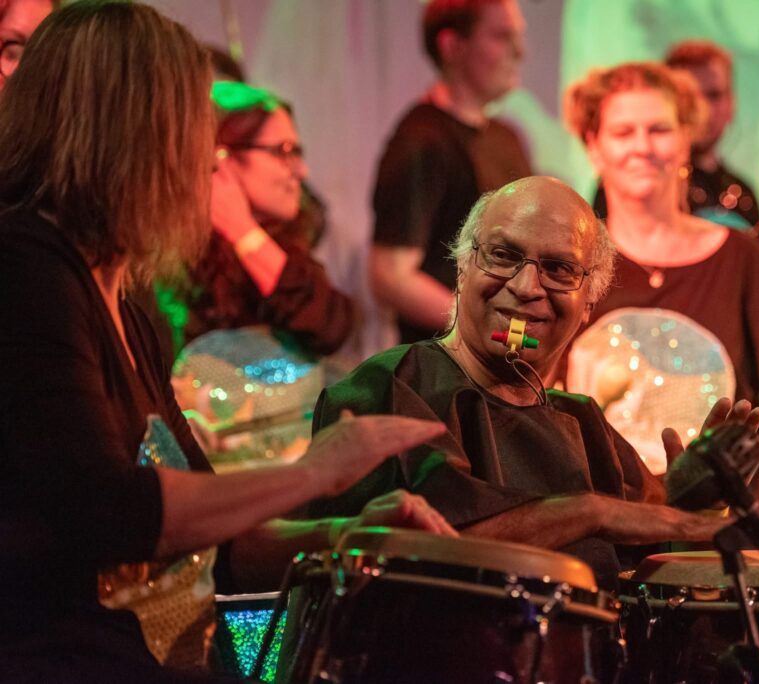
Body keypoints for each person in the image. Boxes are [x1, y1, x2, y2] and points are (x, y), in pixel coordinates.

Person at [0, 4, 452, 681]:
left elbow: (216, 539)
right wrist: (312, 473)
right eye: (199, 139)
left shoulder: (126, 301)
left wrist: (346, 537)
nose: (209, 168)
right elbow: (112, 512)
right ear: (129, 134)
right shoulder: (27, 266)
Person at [311, 176, 759, 588]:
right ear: (461, 269)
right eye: (503, 255)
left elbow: (660, 590)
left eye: (559, 269)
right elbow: (413, 558)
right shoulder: (394, 384)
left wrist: (696, 505)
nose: (526, 286)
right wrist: (590, 511)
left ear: (588, 306)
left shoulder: (584, 423)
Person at [563, 62, 759, 550]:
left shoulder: (741, 256)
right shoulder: (569, 262)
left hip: (725, 530)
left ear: (685, 140)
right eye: (623, 131)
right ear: (594, 146)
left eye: (659, 129)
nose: (642, 146)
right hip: (611, 533)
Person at [370, 0, 532, 344]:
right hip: (443, 369)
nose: (520, 52)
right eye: (502, 36)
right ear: (452, 46)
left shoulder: (507, 137)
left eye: (518, 36)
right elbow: (390, 276)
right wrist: (488, 327)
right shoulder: (422, 142)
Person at [169, 81, 355, 358]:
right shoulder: (170, 256)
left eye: (298, 153)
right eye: (283, 151)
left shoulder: (281, 239)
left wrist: (243, 230)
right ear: (222, 157)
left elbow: (329, 325)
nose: (302, 172)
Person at [665, 39, 759, 229]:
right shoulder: (640, 187)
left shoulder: (743, 195)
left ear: (731, 104)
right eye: (690, 96)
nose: (703, 109)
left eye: (714, 95)